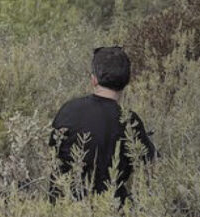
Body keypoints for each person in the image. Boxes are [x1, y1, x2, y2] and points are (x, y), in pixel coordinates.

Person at [49, 46, 156, 203]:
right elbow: (151, 164)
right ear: (127, 81)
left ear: (94, 79)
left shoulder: (68, 110)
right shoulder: (130, 121)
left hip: (63, 210)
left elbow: (53, 153)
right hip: (110, 213)